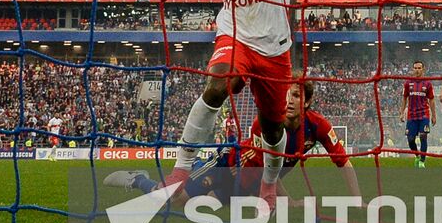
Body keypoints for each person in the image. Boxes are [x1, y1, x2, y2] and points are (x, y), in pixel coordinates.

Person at [168, 0, 294, 206]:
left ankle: (268, 185)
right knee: (217, 85)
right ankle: (181, 169)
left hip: (274, 44)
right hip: (234, 32)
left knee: (272, 128)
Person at [106, 77, 359, 204]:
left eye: (296, 95)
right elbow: (268, 168)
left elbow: (344, 163)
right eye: (287, 94)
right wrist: (287, 202)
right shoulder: (267, 124)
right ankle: (138, 179)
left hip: (243, 187)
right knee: (170, 198)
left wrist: (357, 199)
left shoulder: (319, 126)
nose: (290, 100)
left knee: (192, 207)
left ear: (307, 101)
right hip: (225, 166)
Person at [400, 60, 435, 168]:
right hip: (411, 115)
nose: (417, 70)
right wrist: (401, 113)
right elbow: (404, 98)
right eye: (415, 68)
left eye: (419, 68)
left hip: (424, 114)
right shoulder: (408, 83)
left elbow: (431, 100)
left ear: (423, 69)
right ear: (412, 69)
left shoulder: (428, 83)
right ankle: (417, 155)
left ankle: (422, 162)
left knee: (423, 136)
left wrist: (434, 115)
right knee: (410, 139)